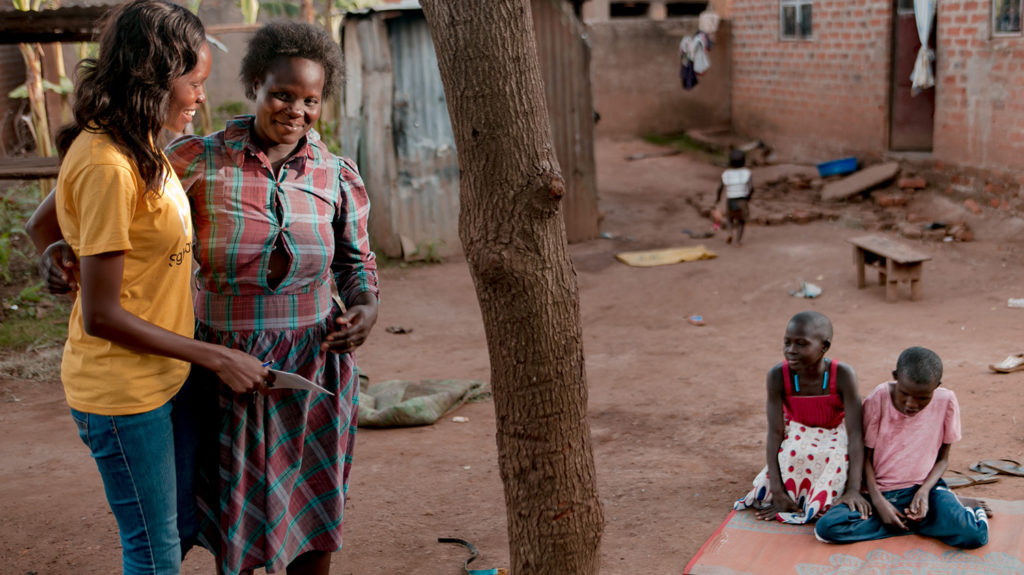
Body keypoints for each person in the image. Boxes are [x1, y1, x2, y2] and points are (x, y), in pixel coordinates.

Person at [23, 1, 270, 572]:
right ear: (154, 75)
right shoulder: (109, 163)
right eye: (195, 83)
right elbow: (101, 316)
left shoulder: (139, 142)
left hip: (165, 375)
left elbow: (43, 225)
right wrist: (217, 357)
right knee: (155, 550)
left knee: (179, 528)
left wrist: (59, 254)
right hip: (123, 393)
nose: (200, 97)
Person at [164, 21, 379, 575]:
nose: (296, 110)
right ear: (255, 85)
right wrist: (65, 250)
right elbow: (120, 217)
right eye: (282, 94)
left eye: (310, 99)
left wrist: (365, 309)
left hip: (315, 367)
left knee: (313, 511)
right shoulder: (194, 161)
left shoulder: (336, 175)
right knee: (237, 509)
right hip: (225, 364)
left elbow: (356, 266)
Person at [814, 347, 991, 548]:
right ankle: (926, 523)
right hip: (876, 492)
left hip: (923, 491)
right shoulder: (879, 398)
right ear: (895, 377)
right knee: (827, 528)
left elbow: (943, 459)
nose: (911, 404)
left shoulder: (946, 400)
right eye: (904, 394)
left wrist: (924, 492)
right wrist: (879, 502)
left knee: (974, 535)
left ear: (936, 387)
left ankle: (925, 517)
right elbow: (865, 457)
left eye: (923, 398)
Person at [734, 311, 869, 524]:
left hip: (834, 431)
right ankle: (790, 499)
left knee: (834, 456)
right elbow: (775, 433)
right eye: (787, 342)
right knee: (792, 454)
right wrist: (777, 491)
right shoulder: (778, 376)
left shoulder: (842, 375)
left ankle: (819, 501)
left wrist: (853, 489)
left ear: (824, 346)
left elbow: (855, 434)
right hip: (799, 431)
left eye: (801, 344)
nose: (791, 351)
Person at [711, 149, 754, 245]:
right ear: (744, 161)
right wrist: (748, 197)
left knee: (730, 219)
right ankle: (738, 240)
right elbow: (751, 188)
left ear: (730, 162)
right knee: (741, 221)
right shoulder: (747, 172)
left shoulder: (726, 174)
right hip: (742, 200)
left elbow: (719, 188)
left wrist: (718, 198)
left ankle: (730, 233)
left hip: (730, 200)